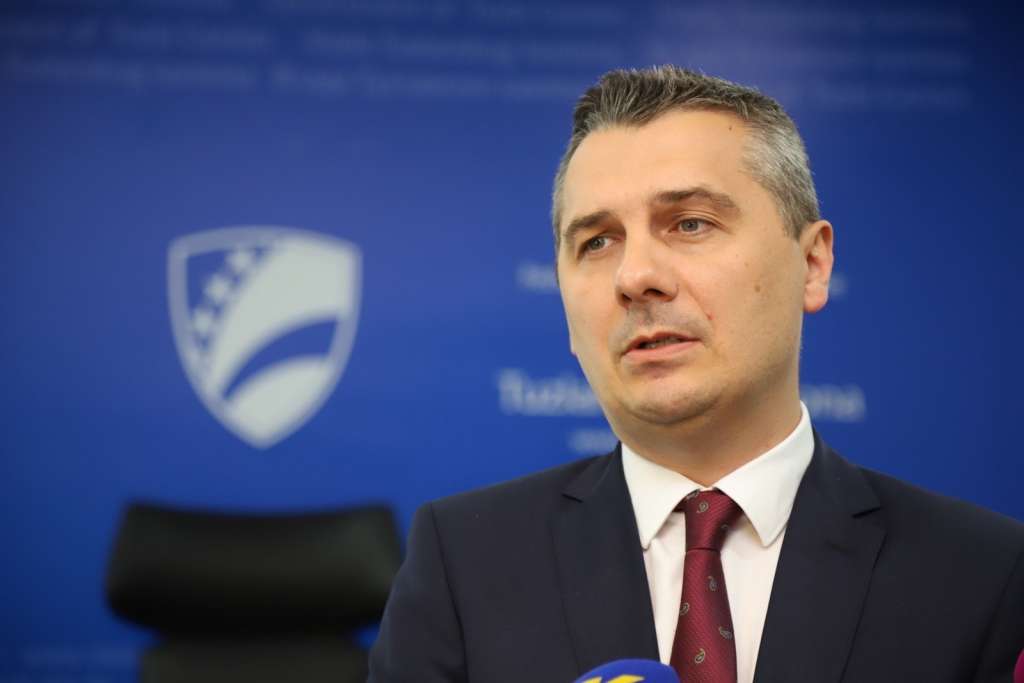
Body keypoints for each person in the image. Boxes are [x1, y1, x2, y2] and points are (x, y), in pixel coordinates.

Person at [368, 66, 1024, 683]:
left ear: (813, 264)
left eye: (689, 223)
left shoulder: (986, 575)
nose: (635, 276)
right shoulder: (463, 563)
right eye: (597, 241)